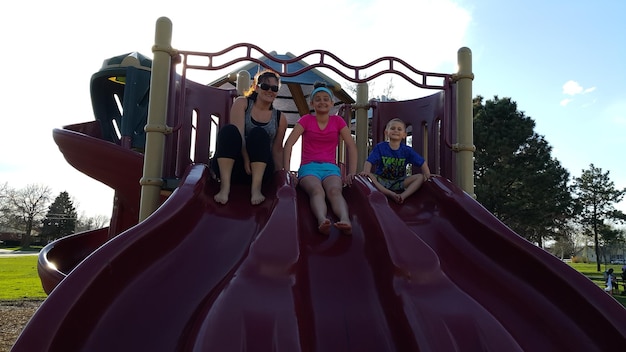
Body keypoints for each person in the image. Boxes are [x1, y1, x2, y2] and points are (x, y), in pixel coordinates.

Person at [283, 82, 357, 235]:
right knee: (317, 191)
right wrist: (287, 171)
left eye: (325, 99)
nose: (322, 102)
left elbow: (351, 146)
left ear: (331, 103)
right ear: (312, 103)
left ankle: (345, 219)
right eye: (318, 99)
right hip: (309, 168)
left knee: (335, 191)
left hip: (330, 168)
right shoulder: (306, 120)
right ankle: (322, 219)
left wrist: (352, 172)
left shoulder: (337, 122)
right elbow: (289, 144)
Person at [211, 69, 287, 205]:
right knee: (229, 131)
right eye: (265, 86)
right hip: (236, 165)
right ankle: (225, 186)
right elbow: (238, 135)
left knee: (259, 134)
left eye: (274, 88)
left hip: (261, 170)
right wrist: (246, 160)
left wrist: (283, 177)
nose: (270, 91)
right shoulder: (242, 103)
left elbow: (277, 150)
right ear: (256, 88)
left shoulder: (280, 118)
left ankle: (256, 189)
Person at [359, 118, 431, 204]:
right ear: (386, 132)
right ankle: (390, 193)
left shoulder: (407, 150)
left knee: (420, 177)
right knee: (370, 176)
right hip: (382, 180)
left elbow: (422, 162)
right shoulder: (380, 147)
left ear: (404, 135)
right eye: (392, 128)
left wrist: (428, 175)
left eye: (399, 129)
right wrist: (366, 172)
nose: (396, 131)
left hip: (399, 181)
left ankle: (403, 196)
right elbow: (369, 161)